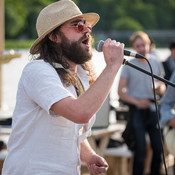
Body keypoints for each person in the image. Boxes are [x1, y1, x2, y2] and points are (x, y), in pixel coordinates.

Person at [2, 0, 125, 175]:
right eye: (77, 26)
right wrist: (112, 66)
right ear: (54, 37)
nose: (87, 30)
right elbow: (79, 113)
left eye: (86, 25)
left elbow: (70, 131)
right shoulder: (38, 70)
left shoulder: (81, 75)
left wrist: (89, 156)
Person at [118, 31, 166, 175]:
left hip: (153, 109)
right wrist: (137, 102)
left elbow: (163, 86)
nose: (141, 48)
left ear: (149, 44)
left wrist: (160, 88)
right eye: (137, 46)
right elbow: (120, 91)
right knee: (140, 149)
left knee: (158, 148)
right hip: (137, 110)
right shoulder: (128, 65)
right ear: (133, 47)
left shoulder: (156, 62)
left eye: (143, 45)